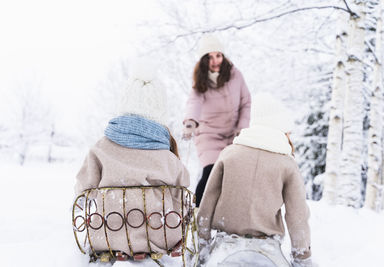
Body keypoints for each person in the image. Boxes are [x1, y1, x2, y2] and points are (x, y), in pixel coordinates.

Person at [74, 58, 190, 258]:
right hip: (158, 235)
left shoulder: (101, 148)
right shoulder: (167, 158)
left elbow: (83, 192)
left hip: (106, 233)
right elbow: (182, 199)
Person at [197, 93, 313, 267]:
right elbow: (298, 217)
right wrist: (302, 259)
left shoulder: (229, 154)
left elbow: (206, 207)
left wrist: (202, 248)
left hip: (225, 250)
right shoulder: (287, 164)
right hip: (268, 253)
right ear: (281, 128)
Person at [182, 34, 251, 207]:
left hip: (233, 135)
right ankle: (196, 213)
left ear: (223, 56)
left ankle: (227, 214)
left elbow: (246, 102)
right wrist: (190, 121)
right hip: (208, 134)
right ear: (204, 60)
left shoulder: (235, 75)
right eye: (210, 57)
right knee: (211, 172)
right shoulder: (201, 79)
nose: (215, 61)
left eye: (218, 55)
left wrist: (242, 128)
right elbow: (194, 101)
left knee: (233, 175)